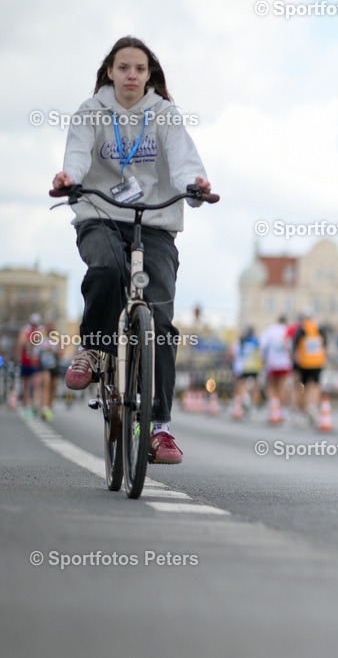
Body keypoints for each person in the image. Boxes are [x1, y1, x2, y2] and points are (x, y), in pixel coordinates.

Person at [53, 36, 213, 464]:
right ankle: (93, 346)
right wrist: (69, 178)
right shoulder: (91, 112)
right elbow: (78, 154)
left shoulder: (164, 115)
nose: (131, 75)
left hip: (154, 221)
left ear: (149, 74)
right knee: (106, 267)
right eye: (123, 68)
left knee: (159, 317)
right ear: (110, 71)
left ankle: (159, 427)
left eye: (139, 69)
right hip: (99, 214)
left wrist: (194, 187)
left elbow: (183, 161)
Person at [292, 310, 327, 424]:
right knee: (316, 385)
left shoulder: (301, 330)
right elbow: (324, 346)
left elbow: (295, 347)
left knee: (303, 387)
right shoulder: (319, 330)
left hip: (304, 363)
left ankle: (303, 407)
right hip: (317, 362)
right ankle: (312, 406)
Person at [260, 315, 293, 423]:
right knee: (282, 385)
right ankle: (281, 410)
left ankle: (273, 406)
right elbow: (291, 346)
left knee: (272, 385)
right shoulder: (287, 330)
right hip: (284, 362)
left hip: (272, 362)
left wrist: (264, 358)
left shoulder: (270, 330)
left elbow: (263, 345)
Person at [16, 314, 44, 419]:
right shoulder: (25, 330)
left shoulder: (41, 331)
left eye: (36, 325)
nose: (34, 327)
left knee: (37, 384)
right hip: (26, 362)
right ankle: (27, 407)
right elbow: (21, 343)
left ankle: (36, 404)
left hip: (36, 363)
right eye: (33, 325)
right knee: (26, 385)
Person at [231, 325, 263, 414]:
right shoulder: (256, 341)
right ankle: (254, 403)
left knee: (241, 384)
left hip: (244, 366)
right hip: (255, 366)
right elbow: (261, 353)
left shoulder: (241, 341)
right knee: (256, 385)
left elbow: (234, 354)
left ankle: (246, 398)